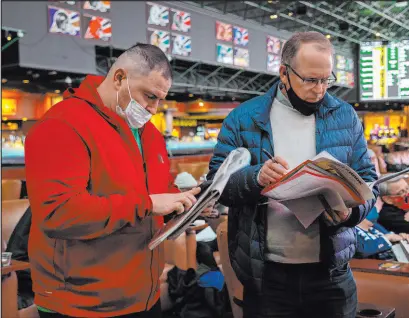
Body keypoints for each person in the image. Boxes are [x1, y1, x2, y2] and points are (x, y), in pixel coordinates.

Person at [207, 31, 378, 318]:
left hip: (331, 275)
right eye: (311, 80)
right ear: (284, 73)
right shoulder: (243, 118)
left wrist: (351, 213)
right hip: (268, 278)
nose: (320, 89)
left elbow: (369, 181)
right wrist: (256, 177)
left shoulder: (345, 116)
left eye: (326, 79)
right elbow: (218, 186)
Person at [25, 43, 200, 318]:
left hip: (143, 294)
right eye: (149, 96)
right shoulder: (62, 125)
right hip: (81, 302)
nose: (154, 109)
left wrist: (184, 202)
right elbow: (58, 213)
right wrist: (149, 204)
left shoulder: (149, 134)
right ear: (119, 78)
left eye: (160, 100)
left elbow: (152, 194)